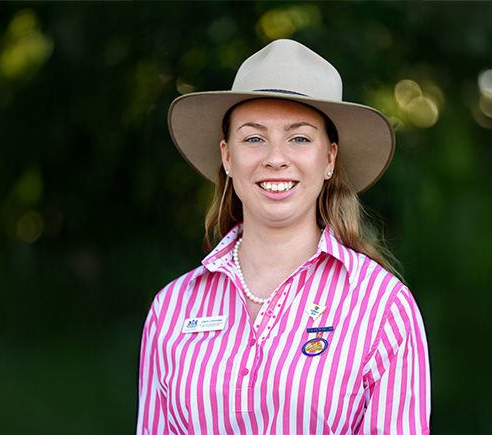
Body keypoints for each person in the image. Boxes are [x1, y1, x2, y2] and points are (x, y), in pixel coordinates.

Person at [137, 39, 430, 434]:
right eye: (254, 138)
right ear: (227, 156)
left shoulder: (383, 309)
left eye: (300, 138)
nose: (276, 158)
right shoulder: (171, 310)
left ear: (329, 159)